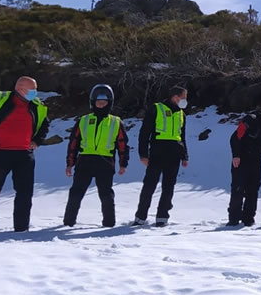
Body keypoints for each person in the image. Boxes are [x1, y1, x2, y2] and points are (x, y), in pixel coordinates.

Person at [0, 76, 49, 232]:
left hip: (24, 156)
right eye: (32, 89)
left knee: (25, 194)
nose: (35, 92)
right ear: (20, 88)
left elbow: (45, 125)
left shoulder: (37, 105)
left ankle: (21, 229)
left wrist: (38, 141)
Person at [63, 84, 129, 228]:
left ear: (109, 102)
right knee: (76, 192)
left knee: (106, 194)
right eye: (98, 101)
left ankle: (109, 224)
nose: (101, 104)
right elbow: (73, 143)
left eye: (104, 101)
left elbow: (123, 144)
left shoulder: (115, 122)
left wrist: (123, 164)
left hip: (105, 162)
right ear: (92, 101)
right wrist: (70, 163)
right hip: (85, 161)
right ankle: (68, 223)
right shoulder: (84, 120)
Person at [133, 86, 189, 227]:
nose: (185, 101)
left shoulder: (182, 114)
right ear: (175, 97)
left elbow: (182, 136)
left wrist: (185, 155)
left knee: (169, 186)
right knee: (149, 185)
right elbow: (144, 133)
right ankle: (140, 216)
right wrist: (143, 154)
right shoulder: (156, 109)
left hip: (174, 154)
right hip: (158, 152)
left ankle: (162, 217)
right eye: (183, 97)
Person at [228, 106, 261, 226]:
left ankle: (248, 219)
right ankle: (233, 220)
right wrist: (236, 155)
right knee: (238, 189)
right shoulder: (251, 119)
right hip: (242, 161)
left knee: (253, 191)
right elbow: (235, 137)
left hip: (256, 163)